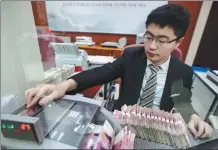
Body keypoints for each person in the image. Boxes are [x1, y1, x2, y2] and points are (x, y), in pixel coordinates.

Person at [25, 4, 212, 139]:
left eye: (162, 40)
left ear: (178, 42)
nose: (152, 46)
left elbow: (181, 103)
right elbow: (99, 73)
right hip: (120, 127)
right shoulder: (132, 58)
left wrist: (193, 117)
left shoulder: (182, 72)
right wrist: (63, 85)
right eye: (149, 36)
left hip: (155, 133)